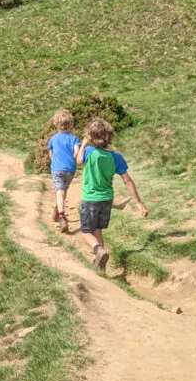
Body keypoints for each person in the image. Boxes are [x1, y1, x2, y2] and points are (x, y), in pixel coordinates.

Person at [74, 118, 148, 271]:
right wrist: (139, 203)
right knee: (97, 229)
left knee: (86, 231)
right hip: (107, 199)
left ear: (91, 137)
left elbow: (79, 162)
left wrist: (84, 144)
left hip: (91, 199)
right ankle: (100, 265)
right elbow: (127, 180)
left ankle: (99, 250)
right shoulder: (116, 157)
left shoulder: (89, 151)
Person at [47, 109, 80, 233]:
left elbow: (50, 153)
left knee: (59, 192)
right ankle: (57, 212)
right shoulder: (74, 138)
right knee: (63, 191)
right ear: (70, 123)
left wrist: (54, 161)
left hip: (57, 168)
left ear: (56, 124)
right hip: (70, 169)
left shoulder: (54, 138)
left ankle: (61, 216)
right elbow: (76, 152)